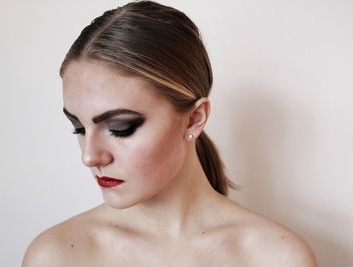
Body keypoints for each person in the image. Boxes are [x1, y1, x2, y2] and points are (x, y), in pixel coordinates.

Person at [22, 1, 317, 266]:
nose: (90, 155)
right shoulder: (55, 256)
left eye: (120, 128)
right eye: (79, 127)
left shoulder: (276, 258)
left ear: (193, 119)